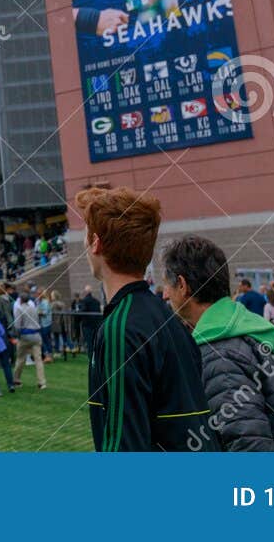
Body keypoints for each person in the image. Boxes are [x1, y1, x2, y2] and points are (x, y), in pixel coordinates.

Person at [77, 186, 212, 451]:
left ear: (95, 244)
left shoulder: (120, 328)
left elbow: (124, 446)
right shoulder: (167, 318)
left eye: (86, 235)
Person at [162, 235, 274, 451]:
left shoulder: (219, 353)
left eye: (167, 285)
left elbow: (248, 445)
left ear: (182, 285)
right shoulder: (250, 329)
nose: (165, 294)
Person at [12, 290, 47, 389]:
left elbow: (17, 325)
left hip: (25, 336)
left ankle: (16, 380)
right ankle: (42, 382)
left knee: (20, 359)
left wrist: (17, 336)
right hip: (36, 335)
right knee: (38, 360)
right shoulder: (33, 308)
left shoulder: (19, 309)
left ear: (21, 300)